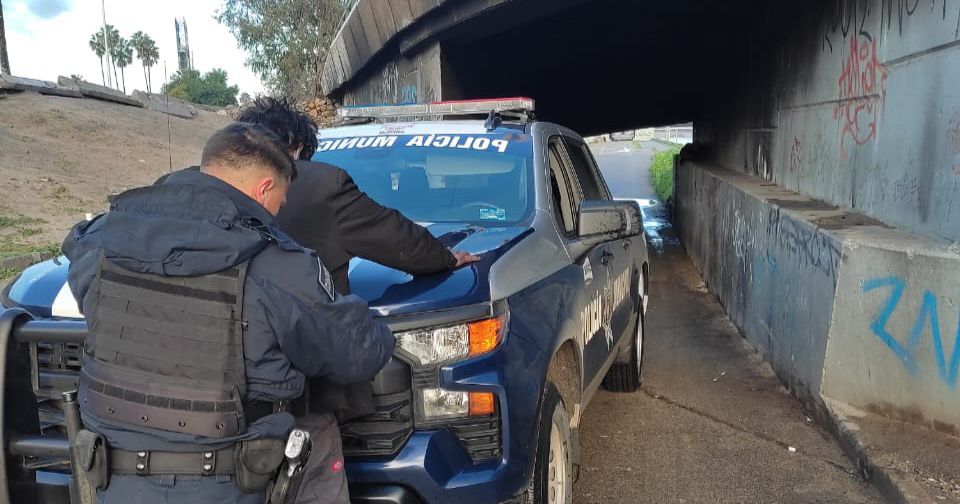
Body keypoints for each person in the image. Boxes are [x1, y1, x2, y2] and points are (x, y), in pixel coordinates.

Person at [62, 123, 395, 503]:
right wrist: (378, 330)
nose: (280, 209)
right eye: (281, 198)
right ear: (264, 188)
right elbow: (355, 353)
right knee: (317, 431)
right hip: (234, 481)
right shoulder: (276, 264)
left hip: (115, 478)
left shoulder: (102, 241)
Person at [230, 97, 480, 503]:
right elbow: (393, 236)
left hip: (207, 402)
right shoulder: (318, 183)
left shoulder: (204, 186)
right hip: (299, 394)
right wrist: (445, 256)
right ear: (296, 150)